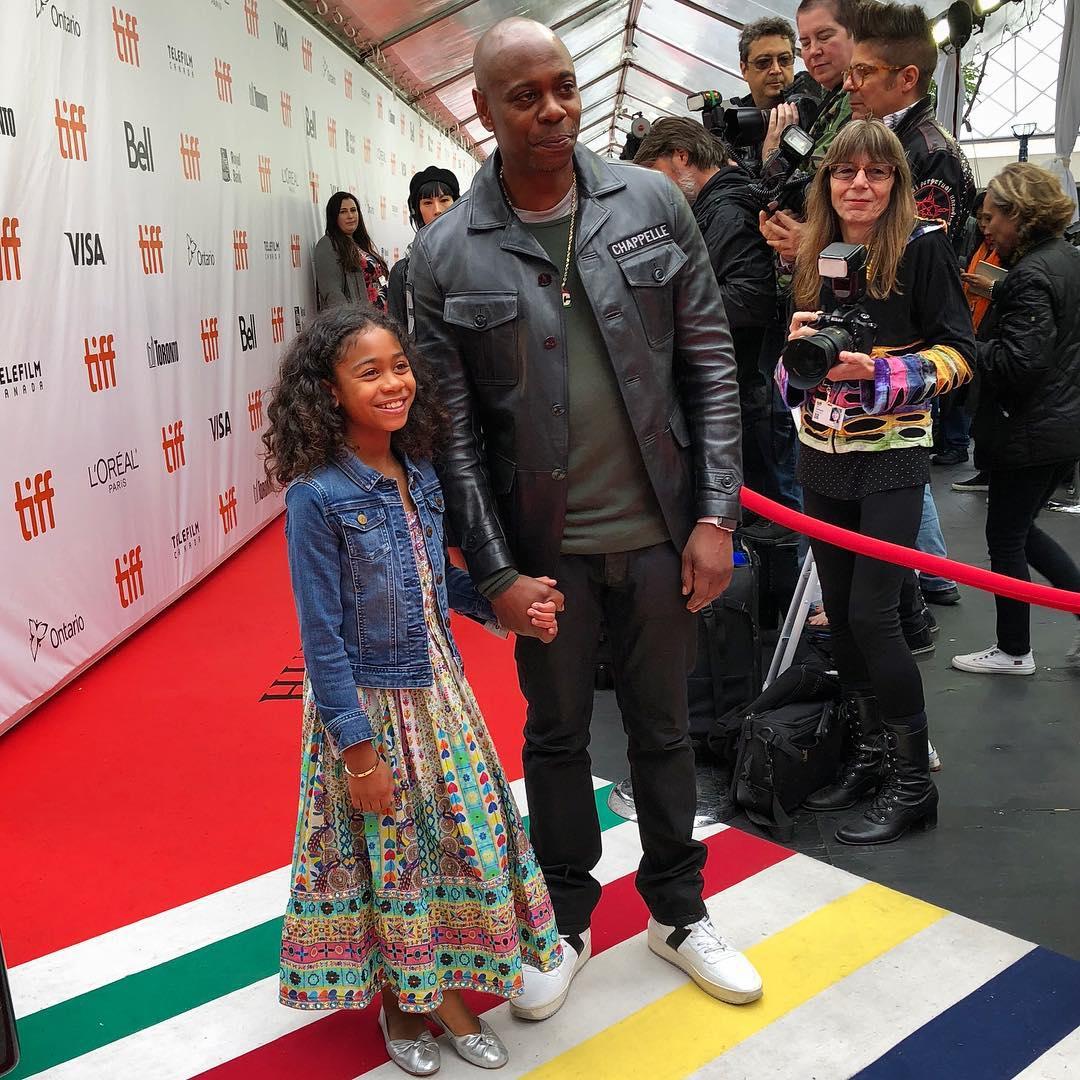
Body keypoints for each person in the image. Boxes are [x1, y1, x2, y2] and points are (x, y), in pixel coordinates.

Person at [409, 16, 762, 1018]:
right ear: (484, 111)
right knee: (557, 735)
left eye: (563, 86)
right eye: (527, 95)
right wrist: (493, 574)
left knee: (663, 727)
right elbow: (454, 438)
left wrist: (715, 517)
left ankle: (678, 911)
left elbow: (710, 369)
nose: (556, 108)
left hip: (659, 533)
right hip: (544, 550)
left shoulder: (650, 202)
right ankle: (564, 918)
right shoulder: (443, 256)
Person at [265, 306, 564, 1074]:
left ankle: (421, 989)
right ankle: (419, 1003)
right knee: (390, 853)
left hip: (441, 690)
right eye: (369, 372)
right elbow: (320, 636)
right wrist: (357, 755)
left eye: (399, 365)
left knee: (454, 842)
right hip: (369, 705)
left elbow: (436, 587)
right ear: (327, 392)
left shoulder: (421, 473)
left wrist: (509, 607)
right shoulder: (316, 495)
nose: (394, 382)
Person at [779, 120, 974, 844]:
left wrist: (881, 373)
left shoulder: (923, 250)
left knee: (873, 614)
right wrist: (798, 357)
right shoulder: (815, 251)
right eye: (844, 172)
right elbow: (792, 365)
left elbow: (962, 355)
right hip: (818, 448)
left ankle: (912, 782)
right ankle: (866, 758)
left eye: (877, 172)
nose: (859, 184)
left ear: (897, 183)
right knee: (839, 609)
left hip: (891, 447)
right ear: (826, 182)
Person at [951, 163, 1080, 675]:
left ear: (1018, 215)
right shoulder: (1066, 260)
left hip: (1029, 426)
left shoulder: (1030, 275)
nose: (985, 228)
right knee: (1020, 530)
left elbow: (1020, 363)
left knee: (1006, 537)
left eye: (992, 217)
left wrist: (967, 349)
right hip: (1059, 423)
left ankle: (1013, 649)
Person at [633, 118, 787, 507]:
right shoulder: (721, 203)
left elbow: (752, 296)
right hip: (747, 382)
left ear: (682, 156)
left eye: (658, 175)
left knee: (773, 510)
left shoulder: (727, 209)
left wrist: (674, 303)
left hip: (749, 383)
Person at [845, 1, 975, 238]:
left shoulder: (936, 157)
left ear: (907, 78)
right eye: (849, 72)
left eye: (863, 72)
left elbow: (912, 258)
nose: (848, 84)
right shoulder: (882, 139)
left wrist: (814, 245)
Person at [759, 0, 857, 264]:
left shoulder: (859, 101)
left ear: (854, 33)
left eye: (824, 36)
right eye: (805, 42)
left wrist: (772, 157)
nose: (814, 51)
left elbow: (817, 191)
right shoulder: (829, 98)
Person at [949, 192, 998, 492]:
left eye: (990, 218)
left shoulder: (1023, 258)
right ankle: (986, 470)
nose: (984, 226)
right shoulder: (980, 246)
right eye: (980, 217)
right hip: (976, 329)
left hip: (989, 338)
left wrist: (994, 289)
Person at [387, 167, 460, 330]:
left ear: (458, 203)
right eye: (427, 203)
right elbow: (397, 331)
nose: (437, 210)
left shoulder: (476, 259)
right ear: (417, 211)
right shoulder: (402, 272)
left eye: (444, 200)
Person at [314, 191, 390, 312]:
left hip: (380, 321)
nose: (350, 216)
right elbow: (332, 294)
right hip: (359, 324)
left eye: (353, 210)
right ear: (334, 217)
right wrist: (352, 325)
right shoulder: (327, 244)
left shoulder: (361, 243)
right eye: (343, 212)